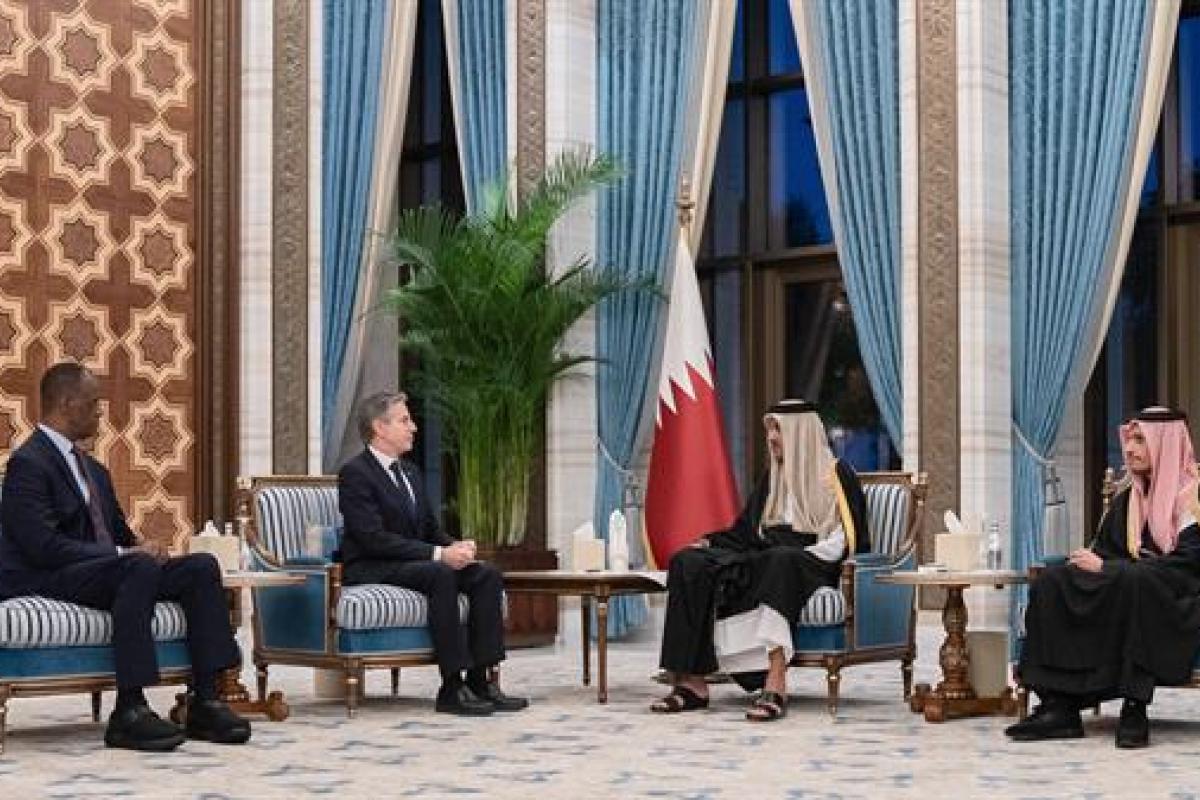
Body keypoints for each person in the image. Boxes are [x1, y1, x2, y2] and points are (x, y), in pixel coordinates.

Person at [0, 363, 251, 750]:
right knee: (136, 567)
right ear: (67, 404)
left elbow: (120, 536)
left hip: (100, 571)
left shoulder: (95, 471)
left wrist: (143, 546)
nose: (101, 412)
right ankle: (129, 710)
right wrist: (125, 554)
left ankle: (205, 700)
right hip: (47, 575)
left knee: (201, 567)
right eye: (93, 403)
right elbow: (42, 546)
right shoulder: (28, 464)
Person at [651, 399, 869, 721]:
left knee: (780, 561)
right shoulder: (772, 477)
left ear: (800, 432)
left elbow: (846, 538)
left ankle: (775, 681)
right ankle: (691, 683)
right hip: (765, 555)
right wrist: (709, 543)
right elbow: (745, 531)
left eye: (778, 429)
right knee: (688, 562)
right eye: (770, 430)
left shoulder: (837, 475)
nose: (771, 438)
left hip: (812, 561)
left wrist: (801, 555)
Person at [1007, 406, 1200, 748]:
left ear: (1166, 444)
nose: (1129, 449)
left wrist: (1110, 570)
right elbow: (1106, 552)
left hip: (1179, 598)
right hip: (1127, 587)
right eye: (1129, 440)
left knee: (1138, 584)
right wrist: (1094, 568)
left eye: (1140, 440)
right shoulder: (1129, 501)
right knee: (1053, 582)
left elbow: (1188, 566)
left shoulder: (1192, 498)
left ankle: (1134, 706)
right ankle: (1059, 706)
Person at [338, 391, 527, 716]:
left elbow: (428, 528)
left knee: (486, 575)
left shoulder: (410, 472)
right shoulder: (356, 473)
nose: (413, 427)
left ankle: (480, 681)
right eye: (404, 420)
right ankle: (451, 687)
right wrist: (439, 555)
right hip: (374, 565)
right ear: (379, 428)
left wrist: (457, 547)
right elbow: (372, 539)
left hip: (412, 563)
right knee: (440, 572)